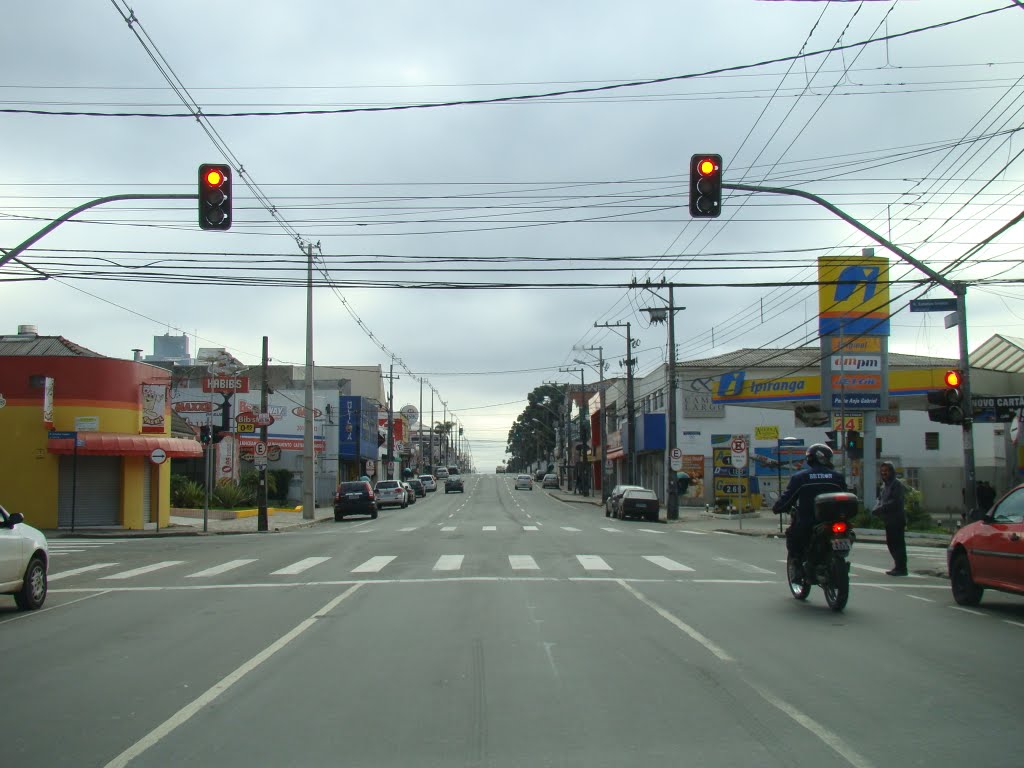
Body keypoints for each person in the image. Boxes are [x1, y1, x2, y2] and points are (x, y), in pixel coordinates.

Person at [772, 443, 847, 575]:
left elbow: (788, 498)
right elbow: (846, 496)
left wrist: (778, 507)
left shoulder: (801, 477)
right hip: (835, 520)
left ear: (810, 459)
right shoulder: (838, 477)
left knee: (793, 536)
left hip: (810, 521)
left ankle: (797, 566)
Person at [873, 461, 907, 576]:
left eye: (886, 471)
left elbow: (895, 502)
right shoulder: (884, 486)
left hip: (896, 519)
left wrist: (882, 508)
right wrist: (877, 508)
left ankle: (901, 567)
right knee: (891, 543)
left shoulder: (896, 484)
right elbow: (880, 499)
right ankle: (898, 566)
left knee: (898, 544)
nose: (884, 473)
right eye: (882, 471)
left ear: (892, 472)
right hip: (888, 519)